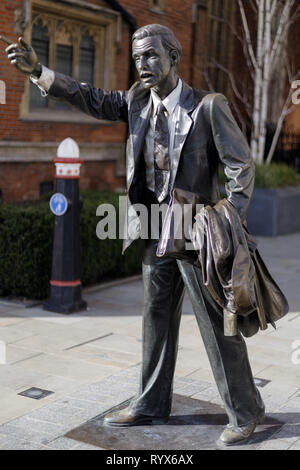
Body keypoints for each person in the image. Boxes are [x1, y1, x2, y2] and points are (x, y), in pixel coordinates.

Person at [2, 24, 265, 446]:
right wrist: (40, 72)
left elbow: (242, 168)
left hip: (197, 233)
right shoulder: (136, 101)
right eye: (137, 57)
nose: (142, 64)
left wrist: (226, 219)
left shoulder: (209, 107)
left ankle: (246, 411)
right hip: (153, 229)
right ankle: (150, 402)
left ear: (173, 57)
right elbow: (90, 97)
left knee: (217, 325)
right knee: (155, 320)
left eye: (151, 56)